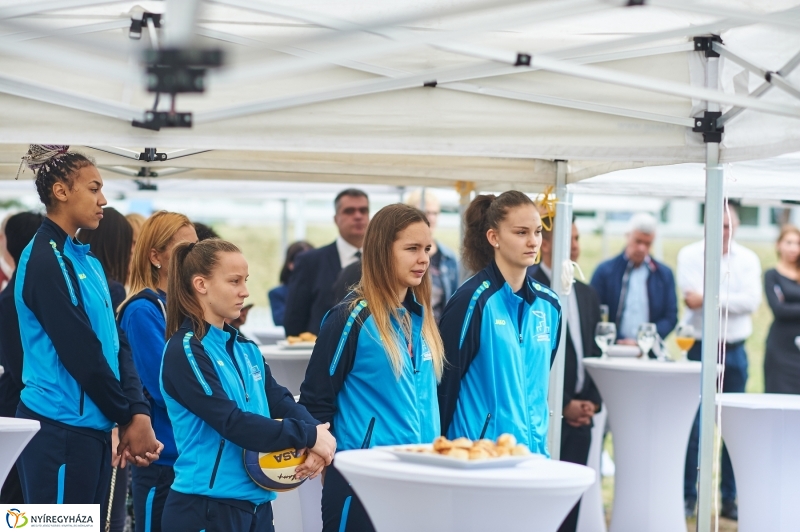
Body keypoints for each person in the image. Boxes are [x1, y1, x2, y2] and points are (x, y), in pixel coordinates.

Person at [14, 144, 161, 506]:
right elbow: (82, 353)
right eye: (94, 189)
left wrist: (137, 412)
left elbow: (115, 341)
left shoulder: (86, 259)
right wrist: (128, 417)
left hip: (89, 429)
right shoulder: (46, 259)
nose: (104, 200)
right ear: (61, 192)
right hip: (58, 431)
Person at [160, 239, 335, 532]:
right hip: (205, 507)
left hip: (256, 505)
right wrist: (308, 435)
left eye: (246, 280)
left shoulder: (245, 347)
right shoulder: (186, 350)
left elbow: (280, 401)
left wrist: (317, 434)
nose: (245, 291)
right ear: (201, 284)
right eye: (234, 281)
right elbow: (232, 423)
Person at [300, 204, 445, 532]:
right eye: (411, 249)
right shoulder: (351, 318)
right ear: (382, 251)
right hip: (363, 480)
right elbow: (315, 400)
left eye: (427, 249)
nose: (423, 259)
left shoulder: (421, 320)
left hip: (422, 476)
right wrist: (330, 462)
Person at [438, 191, 562, 456]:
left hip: (532, 455)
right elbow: (444, 385)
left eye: (538, 231)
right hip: (479, 457)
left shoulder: (550, 306)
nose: (533, 242)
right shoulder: (471, 301)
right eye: (521, 233)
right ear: (494, 237)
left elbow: (536, 384)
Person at [678, 204, 761, 521]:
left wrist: (710, 297)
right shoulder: (689, 254)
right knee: (694, 427)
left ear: (736, 227)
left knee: (732, 429)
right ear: (707, 225)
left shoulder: (748, 259)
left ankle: (729, 499)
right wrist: (726, 297)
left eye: (729, 226)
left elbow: (751, 302)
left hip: (734, 350)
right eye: (719, 225)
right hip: (700, 348)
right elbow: (690, 300)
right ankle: (688, 495)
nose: (724, 231)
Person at [118, 211, 197, 532]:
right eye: (184, 250)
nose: (196, 258)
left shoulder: (186, 308)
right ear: (155, 256)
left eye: (197, 248)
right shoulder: (143, 310)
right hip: (163, 456)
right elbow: (163, 384)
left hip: (191, 454)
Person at [528, 214, 602, 532]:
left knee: (571, 506)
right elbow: (534, 360)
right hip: (545, 414)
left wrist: (590, 403)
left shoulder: (587, 293)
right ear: (546, 244)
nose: (576, 246)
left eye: (577, 238)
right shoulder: (529, 290)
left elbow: (594, 350)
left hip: (581, 416)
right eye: (569, 238)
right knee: (541, 505)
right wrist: (563, 403)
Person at [0, 211, 44, 504]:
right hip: (24, 413)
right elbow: (20, 368)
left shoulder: (16, 295)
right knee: (21, 501)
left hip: (23, 409)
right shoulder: (18, 296)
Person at [283, 189, 369, 336]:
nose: (358, 216)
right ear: (336, 219)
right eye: (349, 211)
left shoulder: (383, 262)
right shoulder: (310, 262)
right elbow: (293, 318)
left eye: (363, 210)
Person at [590, 212, 677, 350]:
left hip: (650, 350)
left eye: (647, 243)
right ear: (627, 236)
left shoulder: (664, 274)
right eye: (638, 241)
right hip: (612, 349)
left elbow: (671, 316)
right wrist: (616, 338)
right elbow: (594, 312)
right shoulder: (605, 271)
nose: (642, 248)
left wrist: (644, 340)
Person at [764, 225, 800, 394]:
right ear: (779, 245)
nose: (794, 248)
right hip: (780, 348)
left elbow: (786, 308)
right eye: (789, 242)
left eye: (797, 243)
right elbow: (779, 310)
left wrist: (789, 306)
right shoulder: (772, 275)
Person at [78, 207, 133, 310]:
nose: (132, 250)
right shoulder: (113, 289)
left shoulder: (71, 273)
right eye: (130, 243)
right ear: (118, 245)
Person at [268, 241, 314, 326]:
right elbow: (280, 320)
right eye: (304, 261)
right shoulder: (277, 293)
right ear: (290, 264)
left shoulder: (323, 290)